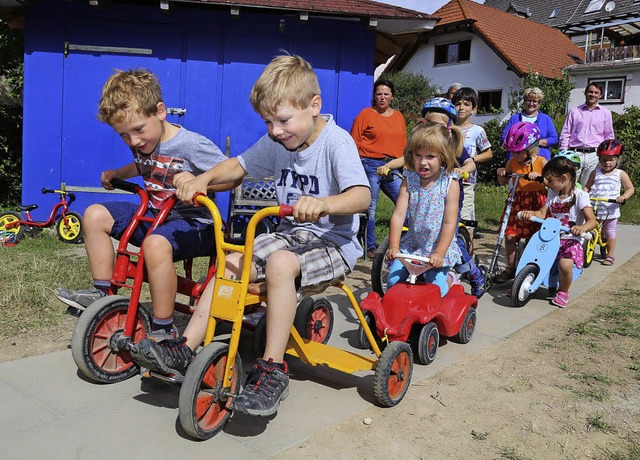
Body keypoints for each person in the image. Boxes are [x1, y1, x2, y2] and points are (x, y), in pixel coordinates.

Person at [128, 54, 370, 416]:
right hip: (290, 233)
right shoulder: (277, 143)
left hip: (332, 242)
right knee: (233, 261)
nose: (275, 131)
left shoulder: (337, 143)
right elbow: (237, 166)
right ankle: (185, 346)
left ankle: (273, 368)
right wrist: (203, 179)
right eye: (268, 122)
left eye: (283, 120)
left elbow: (362, 196)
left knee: (279, 264)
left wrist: (325, 203)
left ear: (313, 105)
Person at [55, 69, 235, 339]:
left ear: (160, 111)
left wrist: (202, 182)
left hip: (198, 224)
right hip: (154, 215)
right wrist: (120, 173)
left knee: (155, 244)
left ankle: (163, 327)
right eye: (124, 136)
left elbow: (231, 177)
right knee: (94, 215)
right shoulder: (141, 143)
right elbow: (145, 165)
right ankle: (102, 294)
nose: (134, 141)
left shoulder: (191, 144)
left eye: (138, 130)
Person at [385, 122, 462, 295]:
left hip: (437, 247)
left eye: (430, 156)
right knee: (392, 282)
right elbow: (398, 215)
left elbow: (450, 223)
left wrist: (439, 253)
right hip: (413, 244)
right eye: (418, 155)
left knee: (437, 290)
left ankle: (451, 278)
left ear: (443, 157)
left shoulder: (450, 183)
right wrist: (394, 246)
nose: (423, 162)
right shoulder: (409, 180)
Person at [421, 97, 485, 297]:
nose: (433, 128)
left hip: (449, 196)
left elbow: (471, 163)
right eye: (429, 123)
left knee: (452, 240)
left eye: (437, 124)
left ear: (448, 125)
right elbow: (406, 158)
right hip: (425, 195)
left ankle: (473, 272)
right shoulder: (422, 143)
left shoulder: (452, 143)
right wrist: (390, 166)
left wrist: (462, 171)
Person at [520, 156, 597, 308]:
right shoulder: (552, 194)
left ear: (564, 177)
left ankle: (563, 291)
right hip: (552, 237)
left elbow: (592, 221)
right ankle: (523, 282)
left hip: (572, 239)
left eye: (549, 180)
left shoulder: (580, 196)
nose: (547, 184)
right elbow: (542, 213)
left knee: (565, 265)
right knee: (531, 255)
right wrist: (531, 213)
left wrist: (581, 228)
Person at [350, 79, 407, 259]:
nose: (382, 97)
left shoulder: (398, 116)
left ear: (392, 96)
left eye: (386, 94)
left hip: (394, 165)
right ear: (374, 96)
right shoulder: (365, 114)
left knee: (406, 203)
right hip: (370, 165)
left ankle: (401, 242)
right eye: (379, 94)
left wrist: (404, 162)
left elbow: (403, 142)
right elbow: (354, 141)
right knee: (371, 208)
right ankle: (370, 247)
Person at [496, 122, 548, 282]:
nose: (516, 156)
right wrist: (502, 174)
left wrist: (540, 178)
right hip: (517, 201)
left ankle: (527, 268)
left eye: (519, 152)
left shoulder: (541, 162)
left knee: (533, 238)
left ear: (531, 147)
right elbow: (504, 182)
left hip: (536, 203)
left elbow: (551, 183)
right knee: (510, 235)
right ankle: (511, 267)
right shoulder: (511, 163)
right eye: (513, 152)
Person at [584, 139, 635, 266]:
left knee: (609, 231)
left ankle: (610, 255)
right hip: (594, 206)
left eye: (611, 159)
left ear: (618, 159)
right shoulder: (595, 173)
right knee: (590, 227)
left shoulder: (620, 174)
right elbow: (587, 187)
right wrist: (583, 194)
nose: (607, 163)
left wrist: (623, 196)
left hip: (611, 208)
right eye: (603, 159)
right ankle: (583, 249)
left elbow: (630, 188)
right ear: (599, 160)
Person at [452, 87, 493, 238]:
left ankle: (467, 253)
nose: (461, 107)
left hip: (467, 181)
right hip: (446, 181)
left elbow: (488, 153)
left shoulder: (477, 130)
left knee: (464, 220)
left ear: (474, 109)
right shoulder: (447, 129)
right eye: (457, 103)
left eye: (466, 104)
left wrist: (470, 161)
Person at [559, 83, 614, 186]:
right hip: (575, 153)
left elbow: (608, 135)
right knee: (568, 184)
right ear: (585, 93)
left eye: (596, 93)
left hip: (594, 154)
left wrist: (607, 155)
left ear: (600, 96)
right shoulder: (575, 111)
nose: (592, 95)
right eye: (590, 92)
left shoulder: (605, 113)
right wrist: (563, 152)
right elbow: (566, 133)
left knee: (588, 186)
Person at [501, 87, 558, 161]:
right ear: (524, 102)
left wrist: (536, 143)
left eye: (534, 101)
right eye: (529, 101)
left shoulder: (546, 119)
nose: (531, 104)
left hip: (540, 159)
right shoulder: (515, 118)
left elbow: (554, 138)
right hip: (516, 159)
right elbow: (505, 136)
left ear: (539, 103)